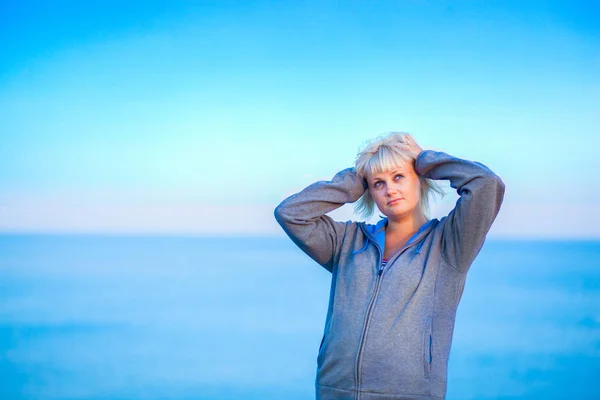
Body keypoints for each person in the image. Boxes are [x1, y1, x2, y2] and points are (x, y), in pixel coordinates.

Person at [274, 132, 505, 400]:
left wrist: (423, 159)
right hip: (334, 391)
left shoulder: (449, 245)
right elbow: (290, 214)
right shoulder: (346, 242)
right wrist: (354, 180)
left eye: (398, 176)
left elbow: (486, 184)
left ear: (419, 178)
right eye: (378, 183)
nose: (390, 190)